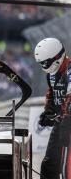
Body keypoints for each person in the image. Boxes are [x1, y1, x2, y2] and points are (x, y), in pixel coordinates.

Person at [34, 37, 71, 179]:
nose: (43, 65)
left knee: (67, 166)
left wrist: (67, 121)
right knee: (50, 163)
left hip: (68, 123)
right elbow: (52, 92)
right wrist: (48, 110)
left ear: (56, 58)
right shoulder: (52, 74)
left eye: (45, 62)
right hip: (61, 123)